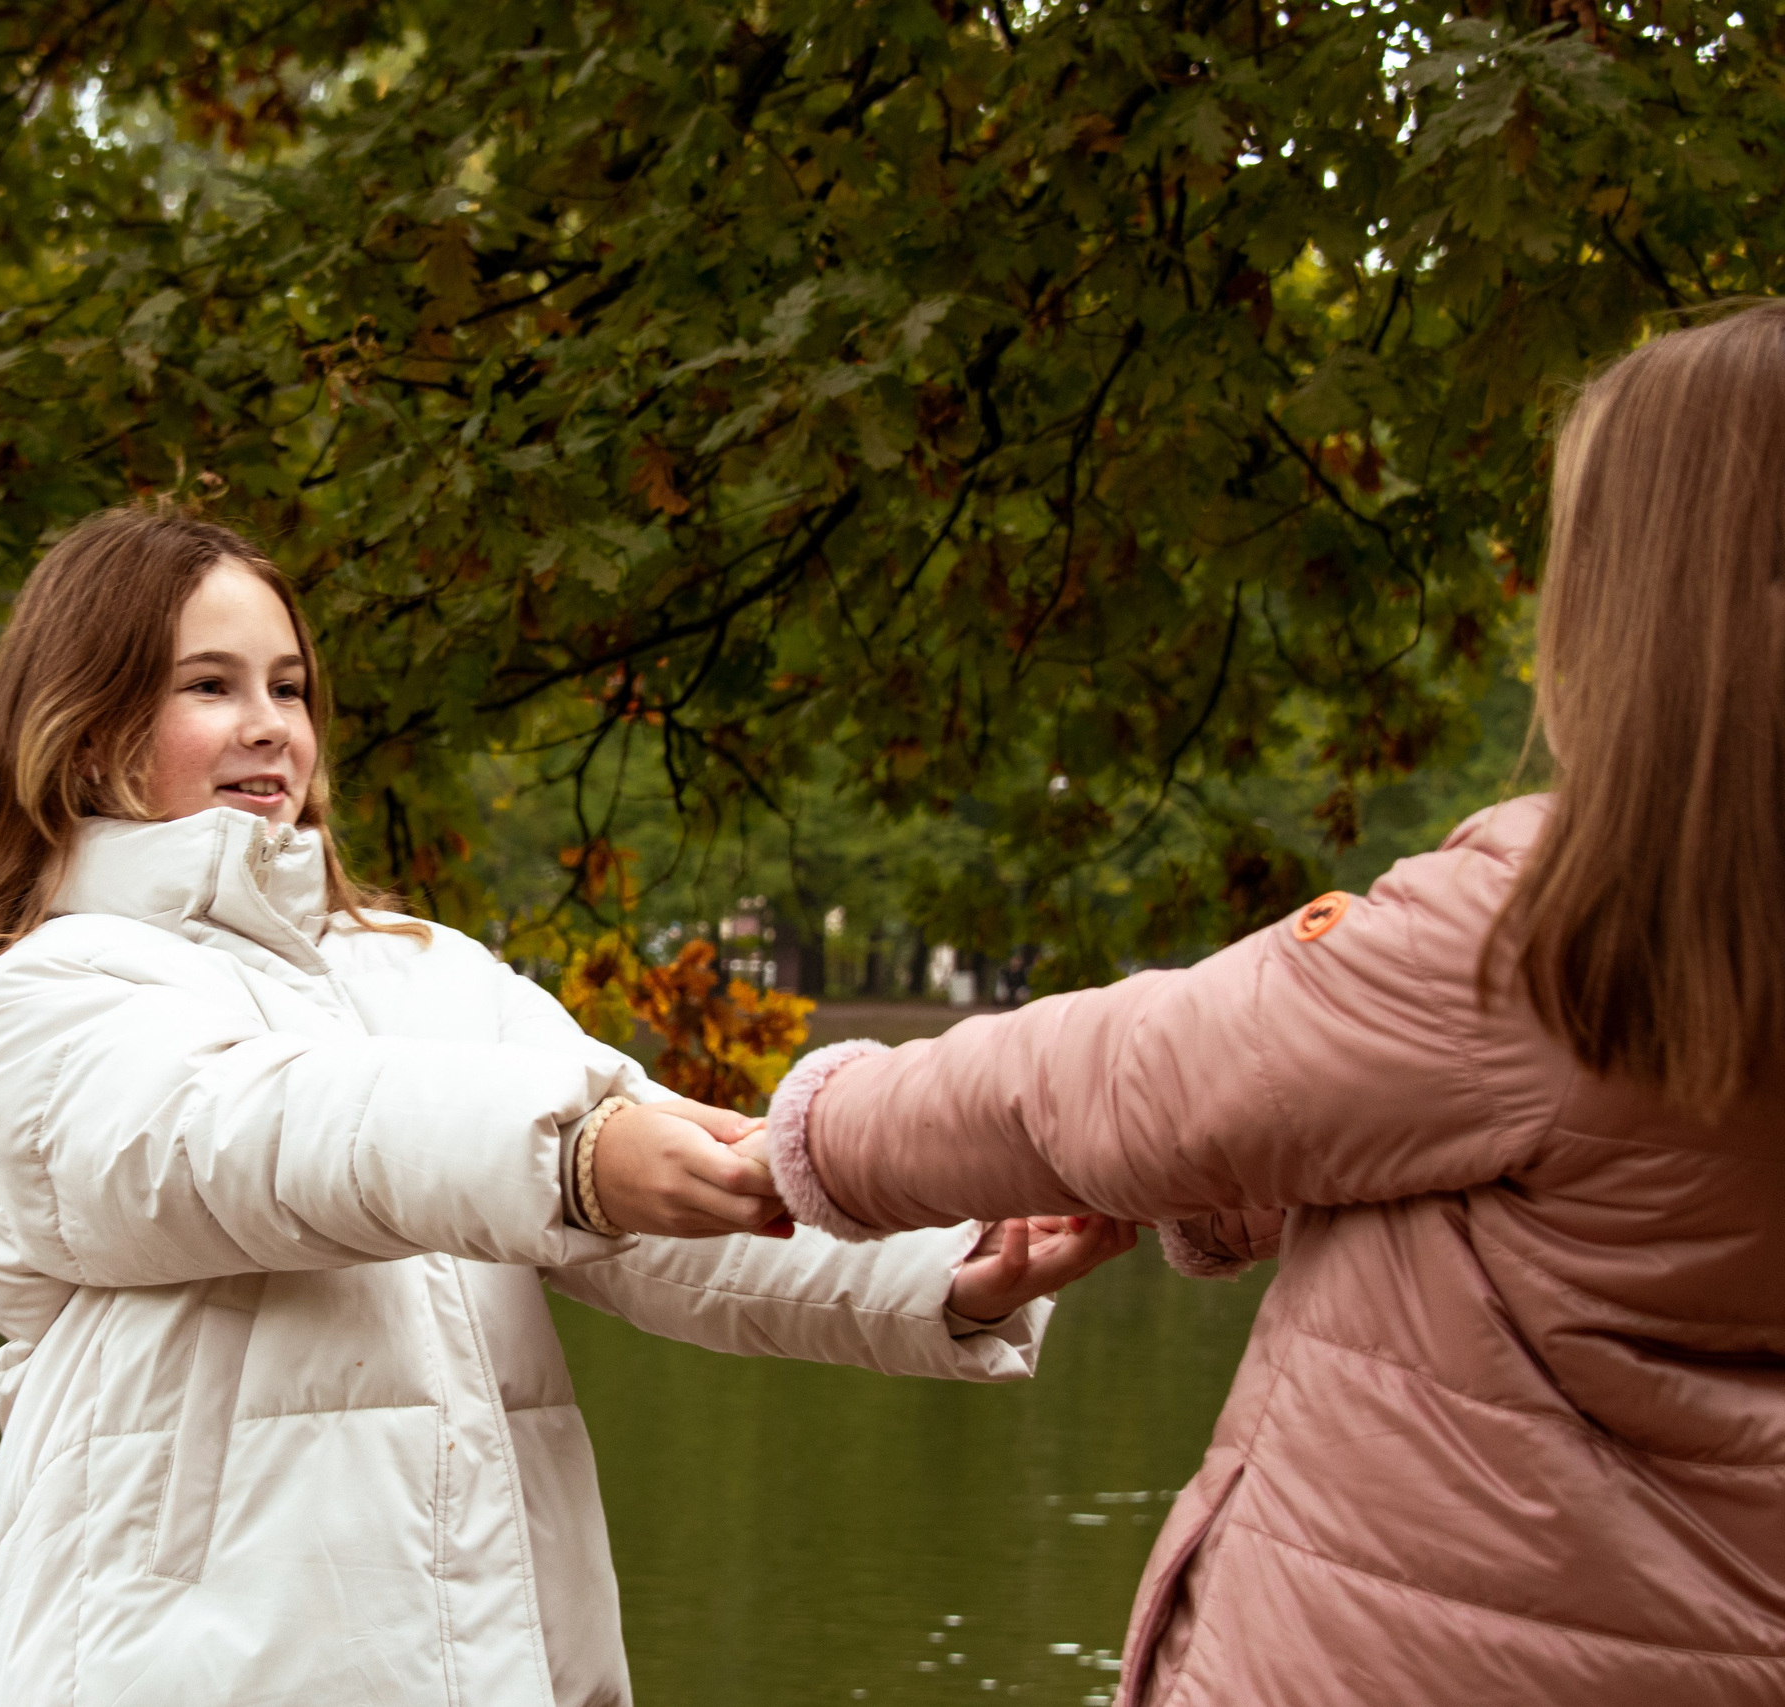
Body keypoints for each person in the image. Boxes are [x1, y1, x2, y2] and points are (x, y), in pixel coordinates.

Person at [0, 505, 1131, 1707]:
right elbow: (262, 1136)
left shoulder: (430, 975)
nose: (271, 724)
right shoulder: (46, 1002)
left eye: (290, 686)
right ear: (86, 729)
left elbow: (667, 1176)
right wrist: (572, 1158)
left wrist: (949, 1264)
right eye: (209, 686)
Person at [756, 303, 1785, 1706]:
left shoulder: (1552, 940)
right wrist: (1236, 1196)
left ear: (1643, 613)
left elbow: (1118, 1082)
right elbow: (1604, 1199)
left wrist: (823, 1131)